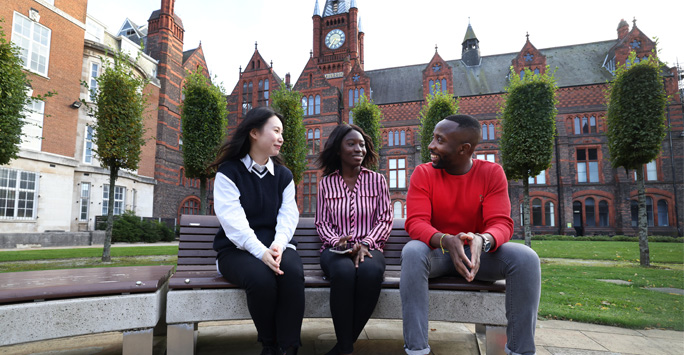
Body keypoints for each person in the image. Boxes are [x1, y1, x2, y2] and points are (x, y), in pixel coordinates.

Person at [400, 114, 541, 355]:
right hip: (437, 253)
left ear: (464, 149)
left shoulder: (492, 173)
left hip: (478, 257)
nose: (431, 146)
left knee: (526, 258)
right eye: (433, 138)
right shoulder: (423, 174)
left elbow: (501, 223)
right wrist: (445, 240)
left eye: (439, 140)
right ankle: (417, 350)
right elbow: (416, 222)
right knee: (412, 251)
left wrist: (482, 240)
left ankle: (520, 351)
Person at [211, 106, 304, 355]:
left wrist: (278, 245)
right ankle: (270, 345)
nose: (281, 138)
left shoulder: (284, 176)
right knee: (260, 278)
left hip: (276, 246)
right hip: (237, 250)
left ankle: (290, 346)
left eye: (282, 132)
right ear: (254, 133)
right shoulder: (229, 172)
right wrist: (260, 252)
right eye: (276, 131)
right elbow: (233, 221)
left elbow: (288, 215)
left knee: (292, 272)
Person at [315, 124, 393, 355]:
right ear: (338, 150)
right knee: (343, 273)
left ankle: (343, 347)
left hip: (371, 248)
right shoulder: (326, 184)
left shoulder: (378, 181)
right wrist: (337, 241)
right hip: (335, 249)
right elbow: (322, 223)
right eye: (351, 144)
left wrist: (366, 243)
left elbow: (385, 219)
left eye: (361, 144)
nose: (358, 149)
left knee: (370, 273)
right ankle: (346, 348)